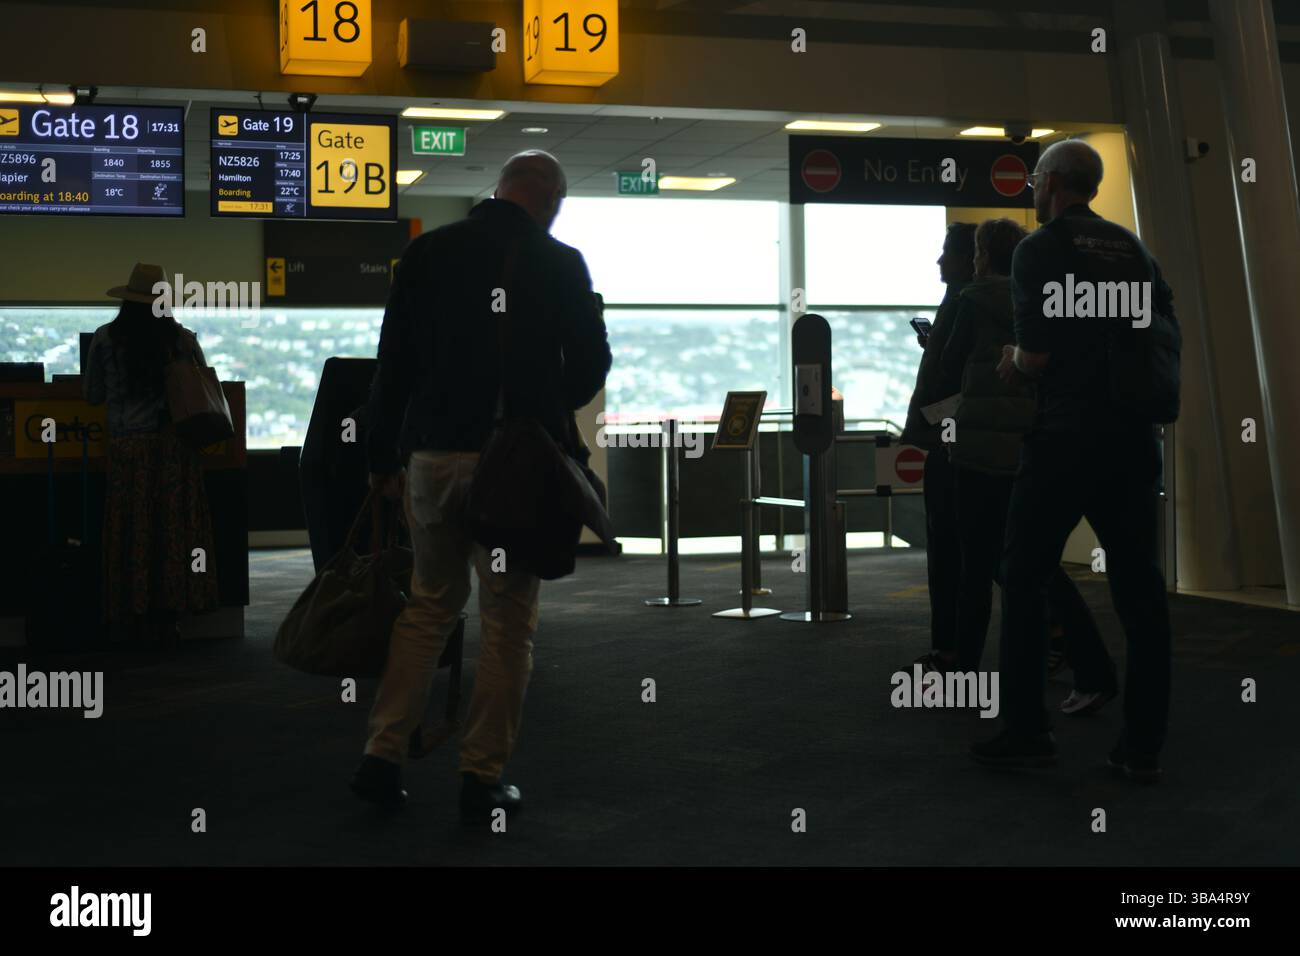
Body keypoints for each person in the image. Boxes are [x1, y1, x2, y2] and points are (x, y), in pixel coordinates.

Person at [353, 150, 612, 819]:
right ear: (550, 200)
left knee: (428, 606)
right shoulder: (561, 263)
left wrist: (382, 457)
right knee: (506, 623)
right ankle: (480, 777)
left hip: (433, 456)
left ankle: (381, 760)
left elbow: (394, 364)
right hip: (517, 465)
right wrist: (545, 405)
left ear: (497, 191)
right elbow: (591, 364)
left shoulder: (429, 254)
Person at [971, 139, 1176, 782]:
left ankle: (1028, 731)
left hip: (1065, 438)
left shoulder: (1041, 248)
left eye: (1036, 178)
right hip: (1134, 439)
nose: (1033, 187)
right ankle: (1141, 748)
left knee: (1023, 574)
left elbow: (1036, 356)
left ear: (1056, 181)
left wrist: (1012, 361)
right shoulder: (1133, 249)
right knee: (1141, 594)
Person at [938, 219, 1118, 710]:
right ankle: (1091, 664)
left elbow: (946, 369)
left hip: (976, 452)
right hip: (1027, 448)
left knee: (975, 567)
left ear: (981, 255)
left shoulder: (969, 302)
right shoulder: (1041, 305)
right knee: (1035, 567)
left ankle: (966, 678)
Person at [84, 263, 220, 645]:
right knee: (173, 533)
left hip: (129, 452)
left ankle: (132, 611)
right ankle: (171, 615)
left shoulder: (105, 340)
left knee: (133, 532)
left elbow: (92, 394)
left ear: (127, 301)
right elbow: (204, 386)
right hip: (175, 452)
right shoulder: (183, 340)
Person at [901, 222, 975, 673]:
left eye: (947, 252)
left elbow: (958, 376)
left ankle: (951, 649)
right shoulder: (964, 304)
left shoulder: (966, 305)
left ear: (971, 258)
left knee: (951, 546)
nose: (939, 260)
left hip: (953, 443)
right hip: (958, 439)